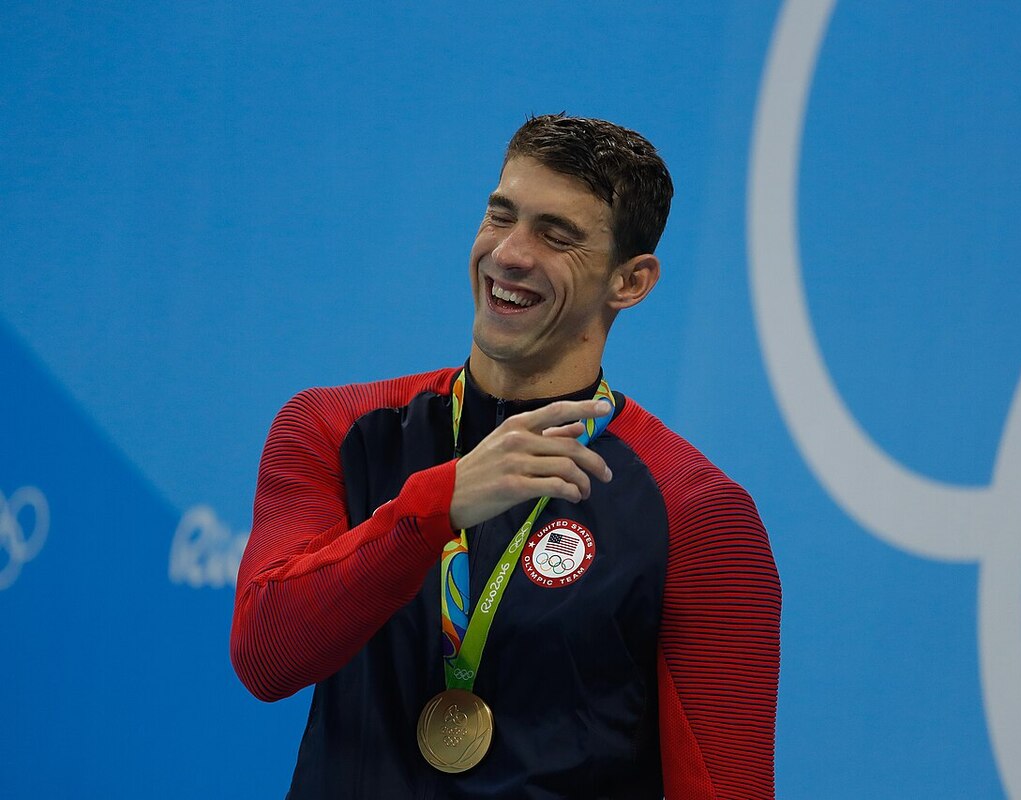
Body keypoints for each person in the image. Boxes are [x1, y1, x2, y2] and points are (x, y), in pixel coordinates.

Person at [231, 113, 781, 799]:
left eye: (557, 236)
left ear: (631, 282)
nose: (510, 254)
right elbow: (266, 656)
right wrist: (436, 506)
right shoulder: (336, 430)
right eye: (501, 216)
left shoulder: (696, 512)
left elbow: (724, 786)